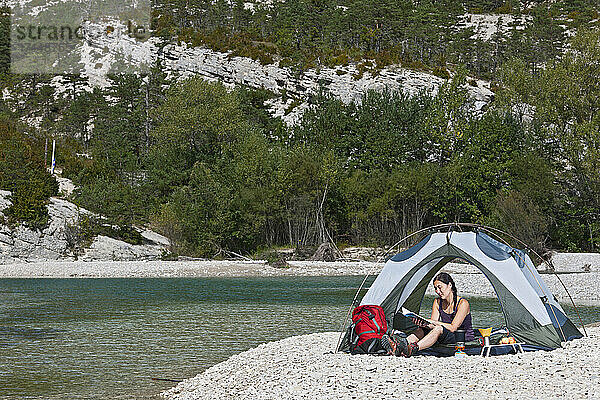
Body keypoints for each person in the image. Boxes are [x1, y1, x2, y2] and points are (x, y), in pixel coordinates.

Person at [393, 272, 474, 357]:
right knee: (422, 329)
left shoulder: (463, 303)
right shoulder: (437, 302)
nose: (437, 291)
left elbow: (453, 327)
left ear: (449, 285)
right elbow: (432, 325)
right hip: (447, 334)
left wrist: (434, 322)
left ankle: (413, 348)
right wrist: (424, 323)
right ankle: (401, 345)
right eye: (435, 288)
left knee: (438, 329)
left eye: (440, 287)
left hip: (461, 337)